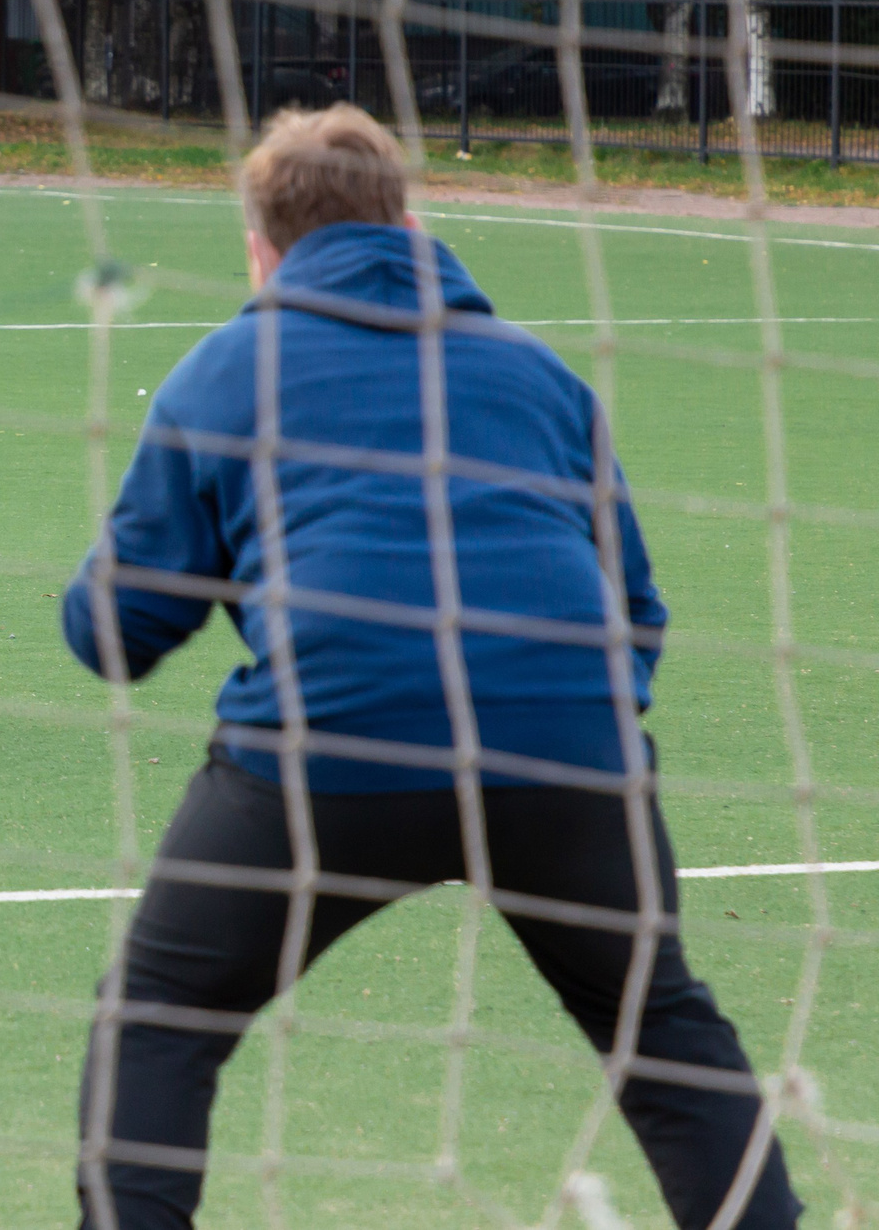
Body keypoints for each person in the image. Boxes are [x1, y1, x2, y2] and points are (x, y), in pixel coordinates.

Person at [61, 103, 798, 1230]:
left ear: (262, 245)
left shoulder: (226, 368)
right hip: (568, 750)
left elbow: (118, 633)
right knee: (662, 1028)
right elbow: (635, 608)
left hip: (330, 753)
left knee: (160, 1015)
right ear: (406, 220)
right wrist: (568, 729)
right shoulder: (538, 373)